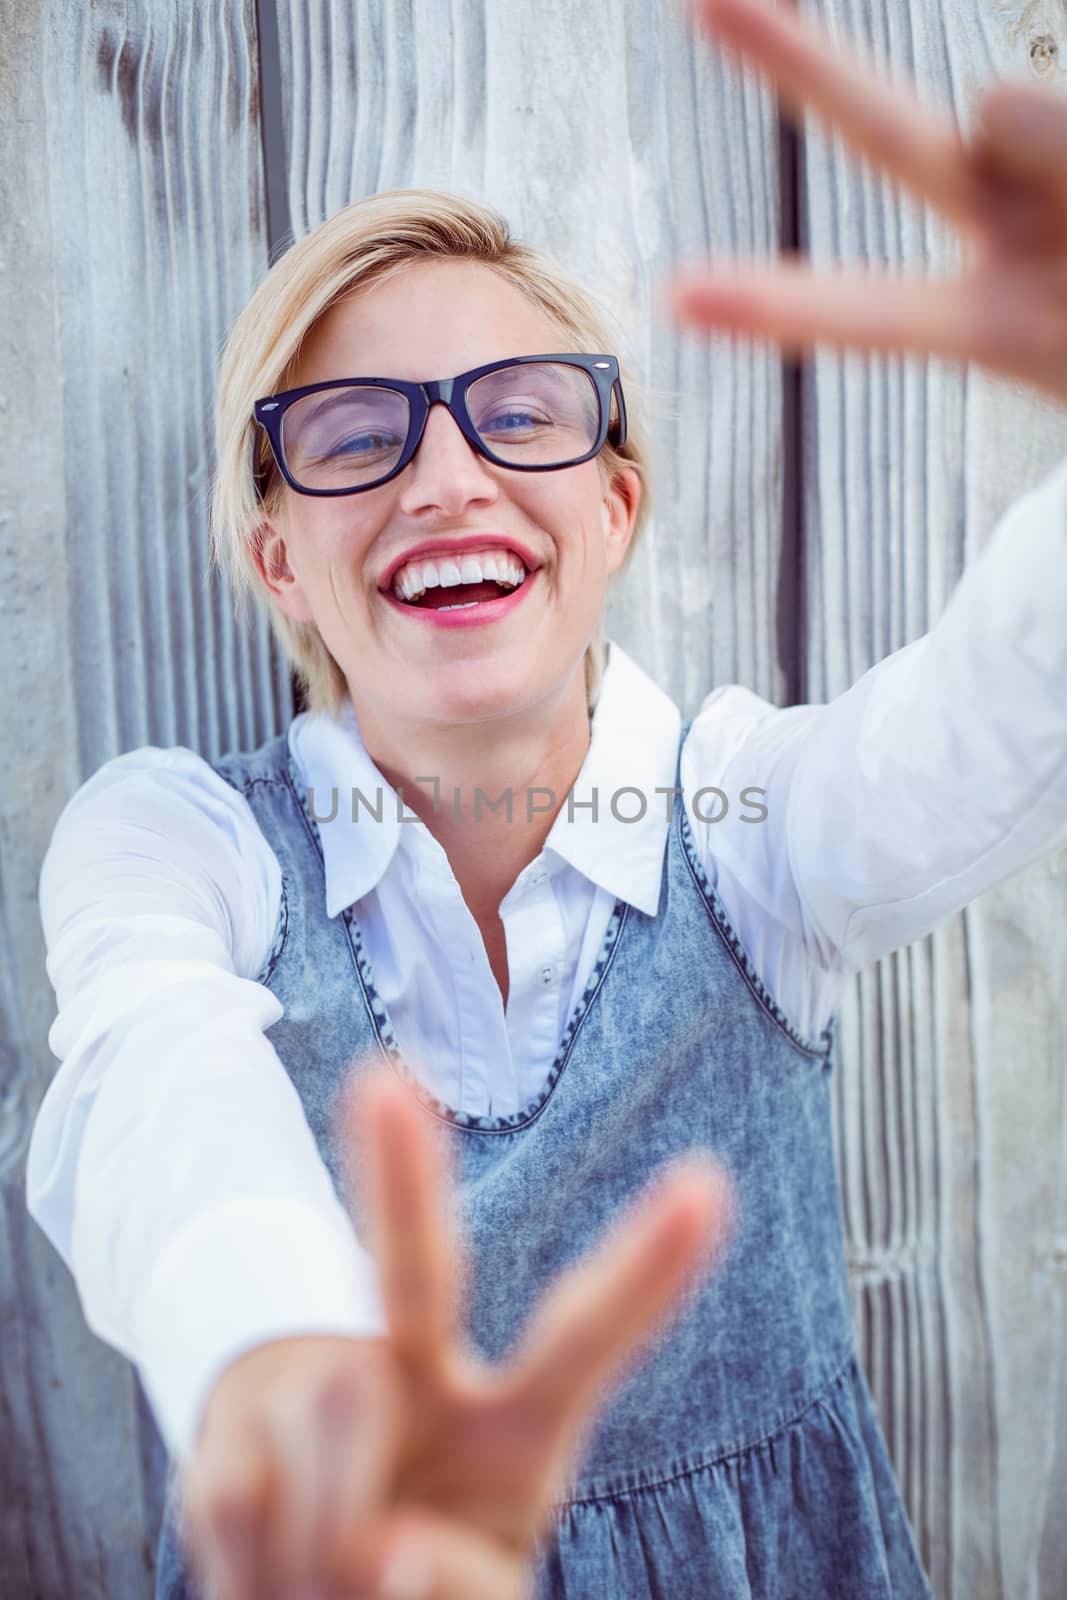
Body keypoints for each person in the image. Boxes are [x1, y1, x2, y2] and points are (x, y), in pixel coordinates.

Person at [25, 0, 1067, 1596]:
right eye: (357, 436)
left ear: (618, 506)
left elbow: (996, 719)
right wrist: (284, 1376)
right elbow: (150, 1064)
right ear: (275, 557)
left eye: (519, 414)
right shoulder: (181, 842)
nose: (448, 478)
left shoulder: (760, 824)